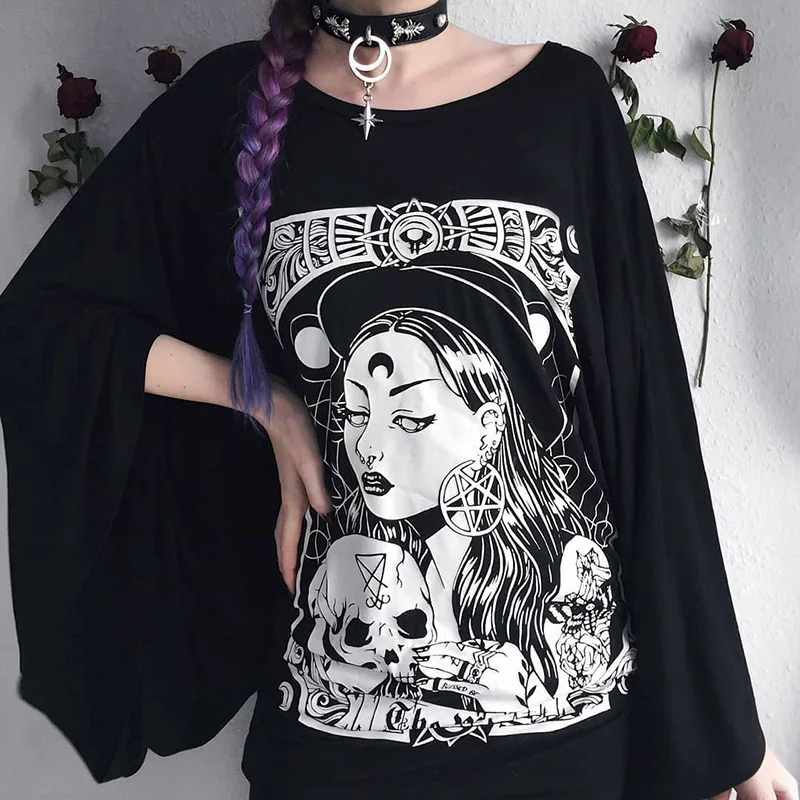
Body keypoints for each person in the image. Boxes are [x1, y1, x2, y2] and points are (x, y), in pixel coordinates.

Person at [0, 1, 796, 799]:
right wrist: (262, 399)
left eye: (409, 412)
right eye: (363, 412)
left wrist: (726, 732)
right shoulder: (230, 103)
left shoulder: (562, 101)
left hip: (568, 746)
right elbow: (37, 328)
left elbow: (651, 422)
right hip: (329, 747)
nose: (375, 441)